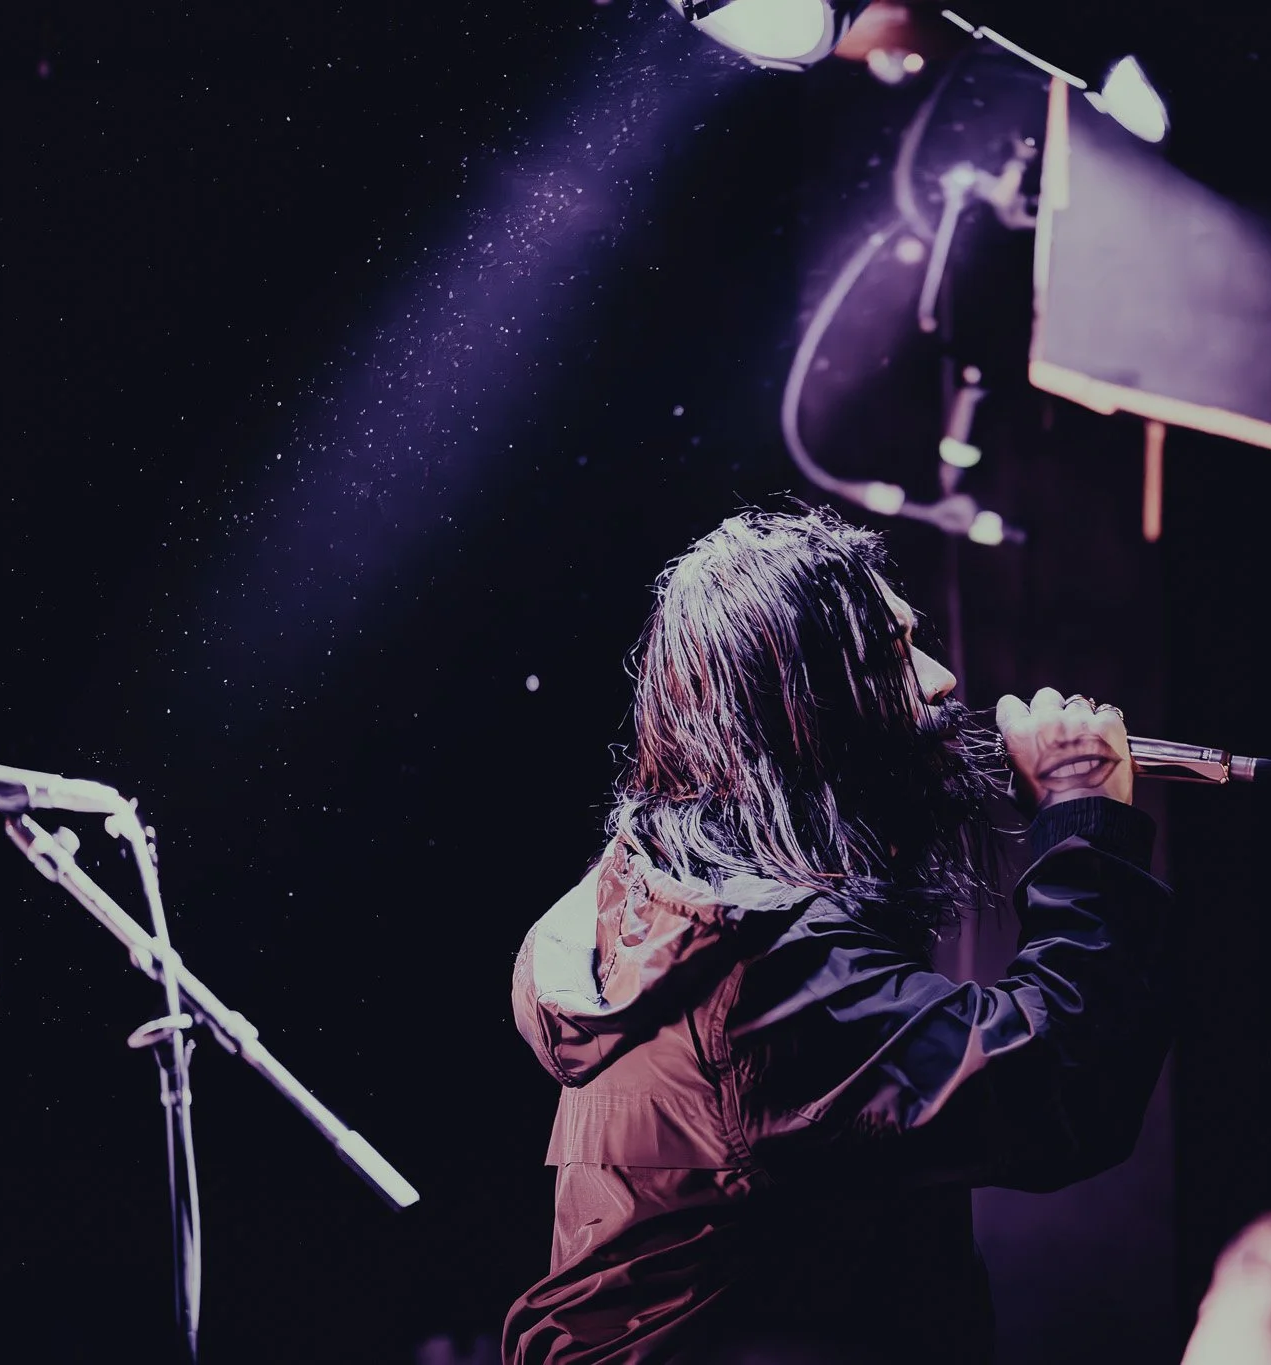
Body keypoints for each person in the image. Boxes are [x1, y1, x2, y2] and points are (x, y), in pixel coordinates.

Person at [502, 507, 1182, 1365]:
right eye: (894, 655)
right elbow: (1060, 1087)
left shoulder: (662, 903)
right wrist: (1082, 815)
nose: (940, 680)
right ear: (802, 708)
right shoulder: (756, 970)